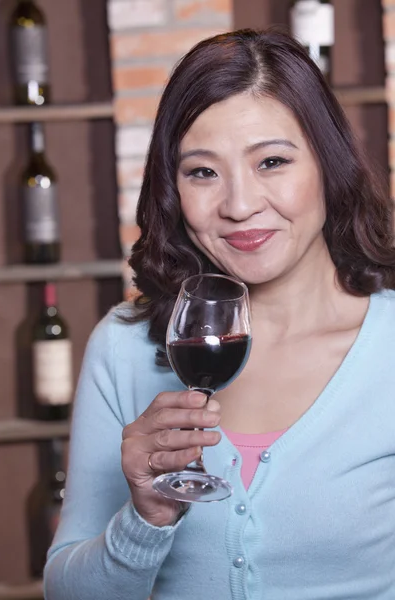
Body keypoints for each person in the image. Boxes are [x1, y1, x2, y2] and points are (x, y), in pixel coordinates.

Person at [44, 28, 395, 600]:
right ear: (172, 188)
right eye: (202, 172)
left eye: (272, 162)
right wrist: (147, 518)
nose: (237, 204)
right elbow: (66, 593)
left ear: (328, 166)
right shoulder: (123, 348)